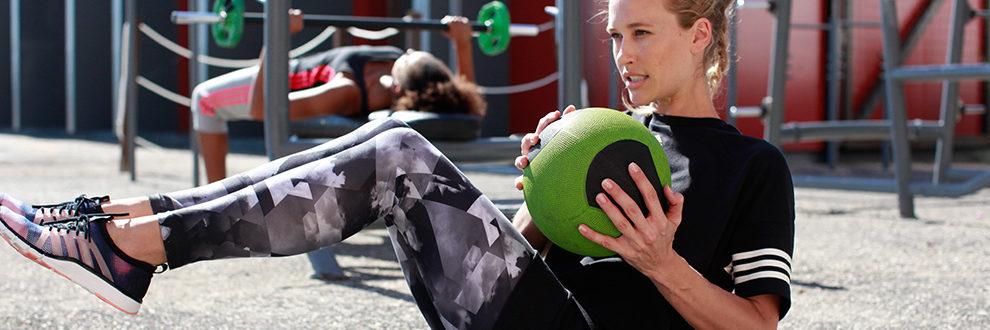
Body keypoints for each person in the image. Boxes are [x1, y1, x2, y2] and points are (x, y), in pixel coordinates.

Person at [0, 0, 793, 328]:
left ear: (701, 35)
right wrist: (541, 192)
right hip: (532, 315)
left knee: (397, 153)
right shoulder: (606, 132)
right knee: (381, 147)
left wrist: (660, 264)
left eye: (642, 34)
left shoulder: (753, 166)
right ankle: (128, 224)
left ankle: (132, 244)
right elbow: (525, 252)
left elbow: (757, 324)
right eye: (615, 36)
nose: (622, 54)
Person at [194, 10, 485, 183]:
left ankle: (216, 199)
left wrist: (276, 36)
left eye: (410, 57)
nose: (408, 51)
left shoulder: (345, 92)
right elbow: (462, 99)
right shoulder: (406, 80)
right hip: (289, 66)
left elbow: (263, 109)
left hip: (280, 75)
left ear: (397, 86)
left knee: (204, 99)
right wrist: (462, 43)